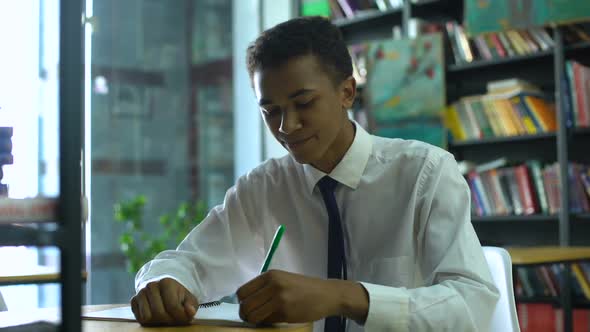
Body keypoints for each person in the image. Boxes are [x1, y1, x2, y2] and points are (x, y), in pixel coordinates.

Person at [131, 16, 499, 331]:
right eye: (270, 111)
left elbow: (472, 306)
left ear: (347, 93)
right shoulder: (264, 188)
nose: (287, 126)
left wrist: (344, 296)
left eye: (304, 103)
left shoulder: (425, 174)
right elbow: (190, 263)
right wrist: (165, 282)